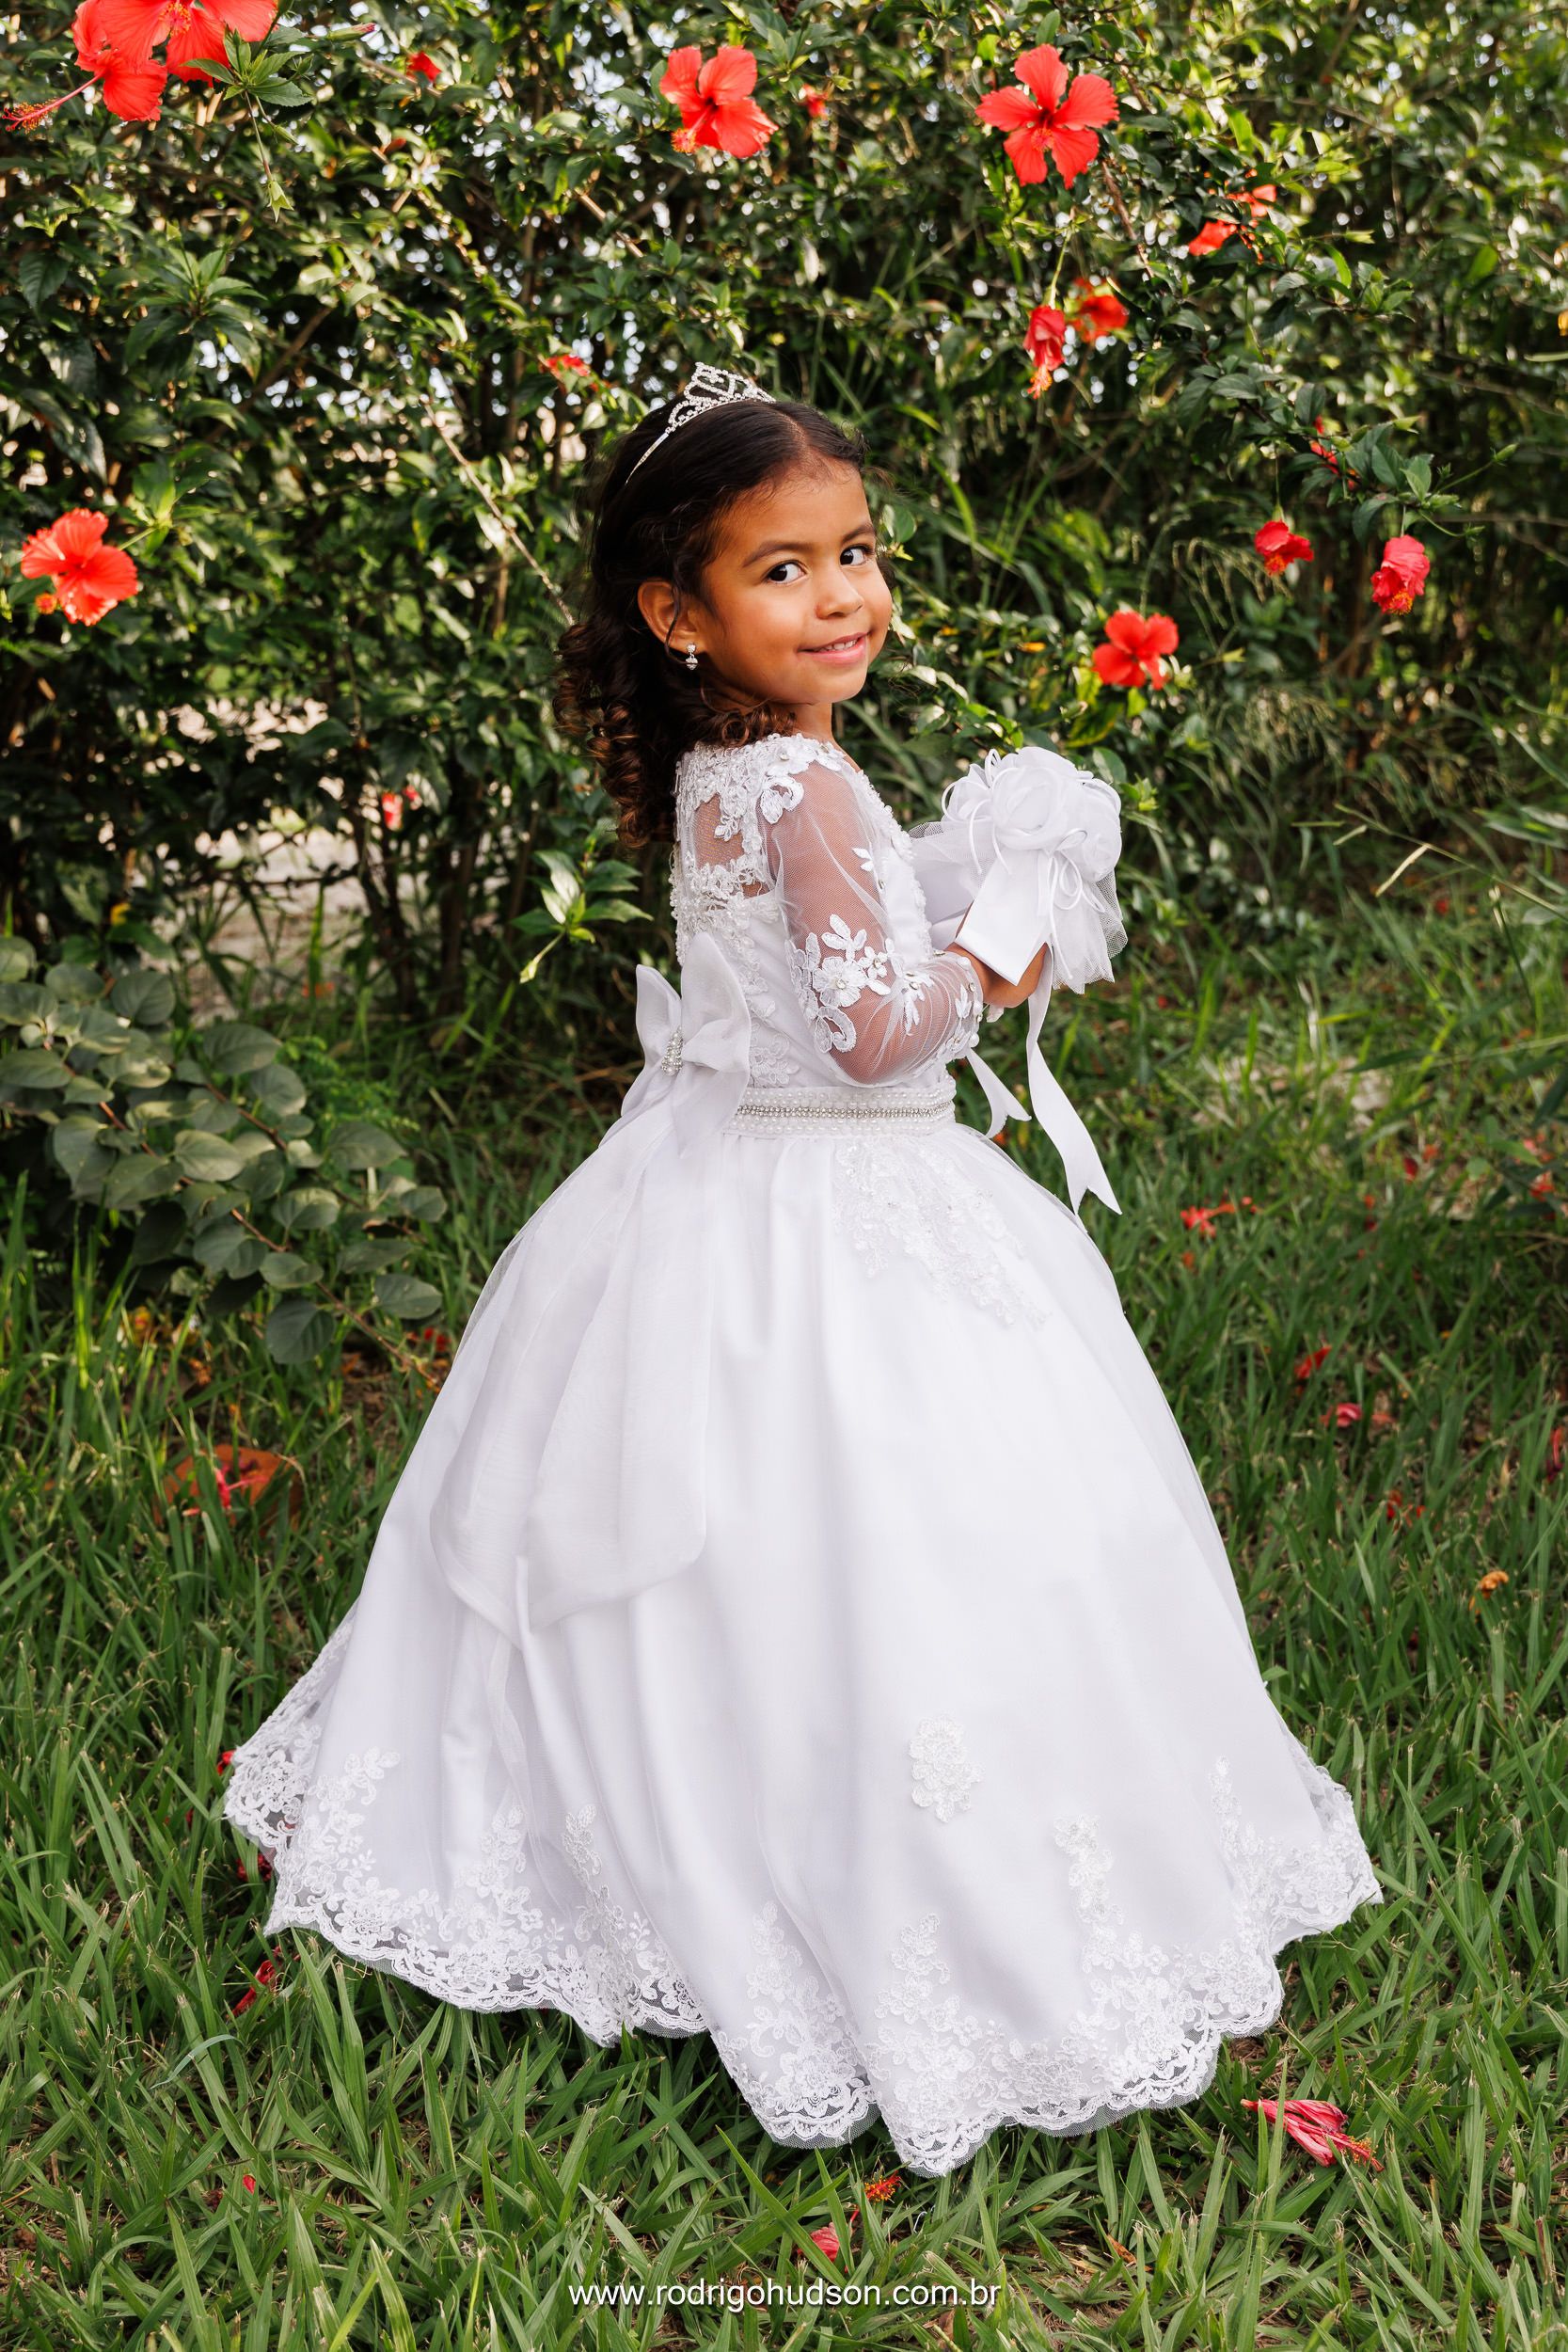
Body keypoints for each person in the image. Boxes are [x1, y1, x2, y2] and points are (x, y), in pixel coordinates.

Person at [224, 362, 1382, 2180]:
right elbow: (875, 1036)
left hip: (707, 1181)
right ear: (677, 613)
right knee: (900, 1535)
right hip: (836, 1197)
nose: (843, 595)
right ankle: (891, 1907)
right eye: (784, 569)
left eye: (857, 553)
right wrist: (1005, 939)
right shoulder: (807, 785)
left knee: (715, 1545)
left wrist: (950, 873)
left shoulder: (728, 772)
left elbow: (808, 945)